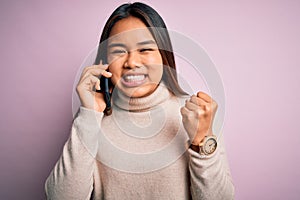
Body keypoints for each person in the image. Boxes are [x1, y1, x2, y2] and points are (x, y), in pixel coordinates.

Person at [45, 2, 235, 200]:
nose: (132, 63)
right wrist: (89, 114)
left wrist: (201, 140)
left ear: (163, 55)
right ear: (104, 62)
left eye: (145, 50)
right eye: (119, 51)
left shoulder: (197, 115)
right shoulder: (91, 120)